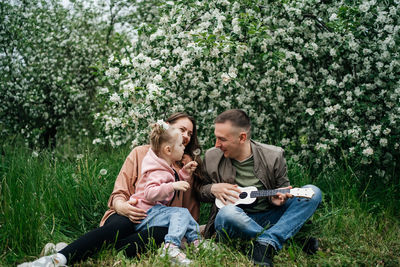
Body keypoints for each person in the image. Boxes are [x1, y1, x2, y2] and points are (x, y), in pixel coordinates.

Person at [19, 112, 203, 267]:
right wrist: (123, 207)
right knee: (121, 224)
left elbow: (186, 212)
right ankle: (57, 258)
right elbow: (119, 192)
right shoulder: (140, 153)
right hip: (129, 213)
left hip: (154, 223)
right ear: (167, 131)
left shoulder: (186, 168)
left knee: (161, 234)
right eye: (182, 130)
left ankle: (72, 248)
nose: (186, 136)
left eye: (190, 133)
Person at [198, 109, 322, 267]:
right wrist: (213, 188)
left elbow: (282, 190)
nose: (217, 144)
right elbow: (199, 191)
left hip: (269, 216)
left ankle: (266, 242)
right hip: (234, 220)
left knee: (313, 192)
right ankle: (284, 238)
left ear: (242, 137)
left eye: (222, 139)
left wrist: (279, 198)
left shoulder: (274, 155)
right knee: (227, 213)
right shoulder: (212, 157)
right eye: (216, 137)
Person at [127, 120, 201, 265]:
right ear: (168, 150)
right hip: (145, 213)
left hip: (154, 211)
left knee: (184, 214)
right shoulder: (158, 169)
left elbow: (169, 180)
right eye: (180, 145)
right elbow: (150, 193)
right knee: (181, 213)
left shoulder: (162, 164)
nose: (183, 148)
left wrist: (184, 173)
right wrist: (173, 186)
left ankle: (197, 242)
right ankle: (171, 247)